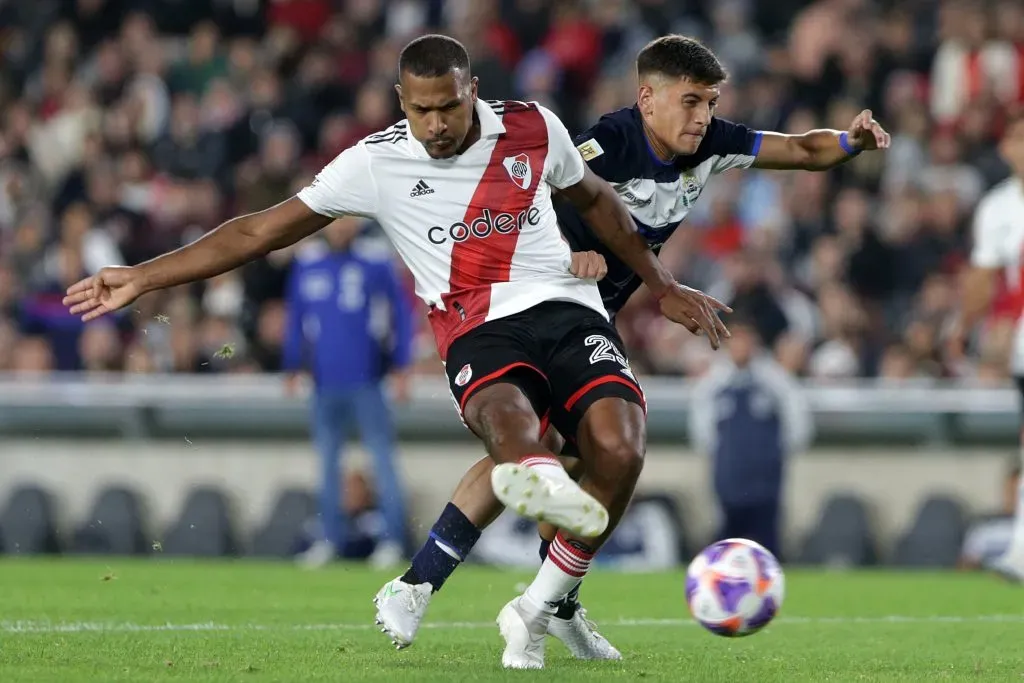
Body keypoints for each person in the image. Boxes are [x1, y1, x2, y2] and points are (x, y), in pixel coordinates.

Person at [61, 34, 727, 669]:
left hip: (565, 306)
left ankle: (541, 601)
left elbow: (598, 198)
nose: (435, 124)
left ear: (473, 90)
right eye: (419, 110)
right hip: (476, 324)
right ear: (400, 100)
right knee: (511, 419)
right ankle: (537, 483)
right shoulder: (375, 161)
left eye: (448, 106)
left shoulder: (532, 127)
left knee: (622, 443)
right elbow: (259, 232)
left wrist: (660, 282)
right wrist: (144, 275)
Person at [392, 34, 890, 658]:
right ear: (646, 98)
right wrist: (562, 252)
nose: (702, 116)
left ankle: (548, 600)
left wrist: (850, 142)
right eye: (689, 101)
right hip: (536, 310)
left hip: (595, 314)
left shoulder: (712, 143)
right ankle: (447, 590)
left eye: (709, 102)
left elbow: (801, 149)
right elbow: (532, 192)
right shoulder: (610, 142)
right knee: (543, 452)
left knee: (582, 464)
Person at [283, 217, 414, 569]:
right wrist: (293, 363)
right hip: (325, 381)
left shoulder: (375, 260)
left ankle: (392, 541)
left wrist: (402, 365)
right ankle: (330, 538)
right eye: (335, 221)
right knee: (327, 465)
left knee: (382, 461)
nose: (340, 228)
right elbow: (296, 317)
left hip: (367, 379)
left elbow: (400, 313)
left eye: (347, 221)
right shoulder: (308, 263)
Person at [949, 108, 1024, 583]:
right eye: (1017, 138)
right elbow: (984, 278)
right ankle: (1019, 551)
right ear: (1006, 148)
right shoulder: (999, 207)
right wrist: (964, 326)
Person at [688, 315, 814, 558]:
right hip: (728, 478)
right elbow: (702, 432)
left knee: (766, 542)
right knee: (727, 542)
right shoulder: (713, 385)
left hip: (766, 478)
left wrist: (775, 456)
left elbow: (797, 424)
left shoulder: (775, 381)